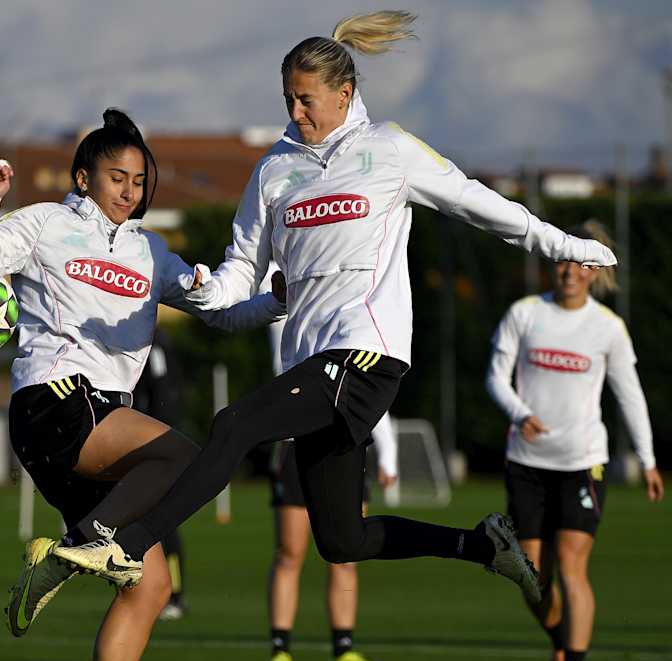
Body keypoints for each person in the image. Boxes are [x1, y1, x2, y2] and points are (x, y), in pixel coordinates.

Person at [51, 11, 618, 619]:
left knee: (233, 424)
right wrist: (201, 291)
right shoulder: (273, 169)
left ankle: (125, 545)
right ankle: (483, 545)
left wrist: (566, 244)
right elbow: (240, 271)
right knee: (341, 539)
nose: (295, 112)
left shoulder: (390, 150)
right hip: (311, 365)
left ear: (345, 94)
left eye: (306, 99)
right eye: (288, 99)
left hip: (365, 354)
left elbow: (479, 205)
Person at [0, 110, 286, 661]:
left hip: (95, 423)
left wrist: (277, 302)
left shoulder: (151, 252)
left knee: (152, 585)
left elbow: (221, 314)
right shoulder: (47, 223)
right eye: (116, 176)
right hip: (54, 400)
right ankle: (92, 540)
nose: (129, 189)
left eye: (140, 180)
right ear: (83, 176)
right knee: (182, 454)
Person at [486, 221, 663, 661]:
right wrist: (521, 414)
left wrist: (647, 459)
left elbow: (630, 395)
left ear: (595, 271)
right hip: (526, 462)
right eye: (563, 259)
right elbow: (496, 378)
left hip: (584, 462)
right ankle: (562, 644)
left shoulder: (608, 328)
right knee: (531, 576)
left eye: (581, 262)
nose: (569, 270)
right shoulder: (524, 314)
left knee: (572, 565)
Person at [262, 290, 393, 661]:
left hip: (345, 440)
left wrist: (389, 453)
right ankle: (280, 647)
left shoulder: (357, 310)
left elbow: (368, 391)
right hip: (294, 440)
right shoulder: (289, 309)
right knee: (290, 551)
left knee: (347, 551)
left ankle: (344, 647)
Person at [129, 329, 190, 620]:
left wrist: (157, 441)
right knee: (149, 521)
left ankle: (175, 595)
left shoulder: (153, 344)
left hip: (157, 445)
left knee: (164, 525)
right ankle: (159, 592)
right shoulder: (141, 342)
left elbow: (164, 397)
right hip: (146, 442)